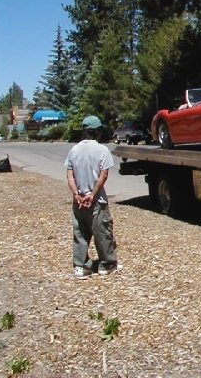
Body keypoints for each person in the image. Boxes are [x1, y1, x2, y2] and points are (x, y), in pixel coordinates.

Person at [65, 115, 119, 279]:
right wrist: (93, 195)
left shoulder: (73, 150)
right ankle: (106, 263)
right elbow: (103, 176)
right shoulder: (102, 150)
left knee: (80, 233)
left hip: (79, 201)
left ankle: (81, 266)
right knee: (102, 232)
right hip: (97, 201)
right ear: (97, 132)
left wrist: (77, 195)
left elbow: (70, 176)